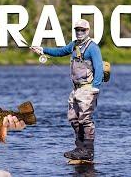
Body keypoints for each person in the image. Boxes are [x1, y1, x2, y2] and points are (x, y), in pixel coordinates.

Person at [31, 19, 104, 161]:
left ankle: (88, 151)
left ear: (88, 31)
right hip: (76, 89)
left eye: (83, 30)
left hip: (88, 89)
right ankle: (79, 148)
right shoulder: (74, 45)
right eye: (77, 30)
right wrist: (42, 50)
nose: (80, 32)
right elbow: (60, 51)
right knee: (73, 118)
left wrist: (95, 87)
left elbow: (99, 67)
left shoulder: (93, 47)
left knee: (85, 119)